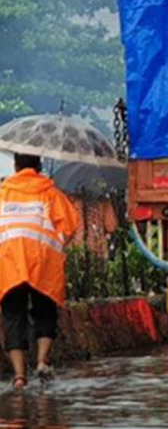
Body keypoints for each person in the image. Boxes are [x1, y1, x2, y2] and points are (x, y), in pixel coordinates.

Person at [0, 154, 79, 390]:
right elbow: (70, 227)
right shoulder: (51, 192)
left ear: (15, 167)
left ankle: (19, 377)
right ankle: (43, 361)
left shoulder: (3, 193)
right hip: (43, 263)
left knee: (14, 316)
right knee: (45, 311)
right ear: (39, 166)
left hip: (9, 264)